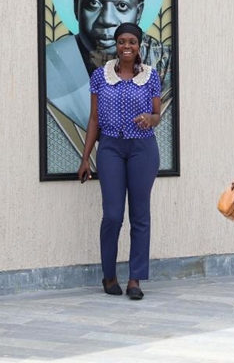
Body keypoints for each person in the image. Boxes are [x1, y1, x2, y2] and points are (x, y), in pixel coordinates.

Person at [45, 0, 170, 130]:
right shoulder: (51, 62)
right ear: (76, 6)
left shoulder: (164, 64)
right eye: (93, 3)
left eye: (122, 5)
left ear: (138, 12)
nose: (107, 19)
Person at [77, 22, 160, 300]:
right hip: (110, 147)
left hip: (142, 148)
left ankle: (135, 279)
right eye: (122, 41)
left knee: (140, 215)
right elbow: (94, 119)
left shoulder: (151, 76)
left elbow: (158, 115)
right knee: (112, 215)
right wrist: (85, 158)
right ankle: (109, 275)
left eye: (132, 42)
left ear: (139, 45)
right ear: (116, 44)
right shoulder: (101, 76)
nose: (127, 46)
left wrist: (150, 119)